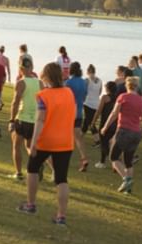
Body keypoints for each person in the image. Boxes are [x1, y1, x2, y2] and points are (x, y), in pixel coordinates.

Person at [17, 62, 75, 227]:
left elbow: (40, 120)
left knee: (32, 169)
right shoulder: (69, 93)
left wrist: (34, 142)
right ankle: (61, 216)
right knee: (61, 179)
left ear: (46, 77)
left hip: (46, 140)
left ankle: (31, 204)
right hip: (65, 141)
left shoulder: (43, 96)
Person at [101, 76, 142, 194]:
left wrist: (105, 127)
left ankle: (127, 179)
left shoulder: (123, 97)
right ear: (136, 86)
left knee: (113, 157)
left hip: (124, 131)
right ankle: (128, 189)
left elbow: (114, 114)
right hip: (136, 133)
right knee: (128, 160)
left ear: (127, 85)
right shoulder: (141, 100)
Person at [7, 56, 38, 179]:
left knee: (16, 146)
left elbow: (15, 102)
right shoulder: (40, 82)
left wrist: (11, 120)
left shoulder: (21, 83)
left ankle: (18, 173)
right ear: (32, 67)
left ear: (20, 69)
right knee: (29, 146)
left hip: (22, 118)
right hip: (34, 120)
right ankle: (37, 165)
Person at [64, 62, 90, 170]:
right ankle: (84, 158)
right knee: (78, 137)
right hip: (79, 111)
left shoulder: (68, 82)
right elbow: (84, 96)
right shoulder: (84, 82)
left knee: (65, 136)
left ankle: (63, 158)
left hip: (69, 112)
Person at [83, 64, 102, 140]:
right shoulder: (100, 80)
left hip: (88, 103)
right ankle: (80, 135)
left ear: (88, 71)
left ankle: (97, 140)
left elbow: (84, 91)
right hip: (96, 103)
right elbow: (100, 92)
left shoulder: (87, 80)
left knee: (90, 121)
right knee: (87, 120)